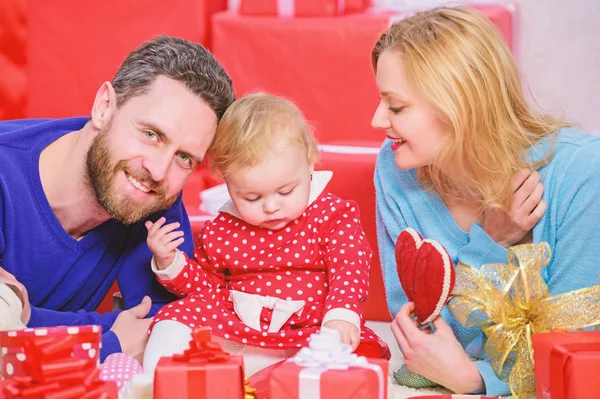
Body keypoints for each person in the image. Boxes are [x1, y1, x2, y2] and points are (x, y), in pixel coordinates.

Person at [370, 6, 600, 396]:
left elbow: (575, 353)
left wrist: (477, 380)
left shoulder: (582, 172)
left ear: (458, 105)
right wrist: (491, 242)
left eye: (396, 106)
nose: (378, 120)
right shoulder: (395, 167)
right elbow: (423, 338)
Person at [121, 92, 390, 396]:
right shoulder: (222, 228)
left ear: (310, 161)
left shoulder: (333, 215)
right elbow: (207, 286)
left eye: (286, 191)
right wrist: (171, 262)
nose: (271, 207)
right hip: (238, 328)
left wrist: (341, 317)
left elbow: (349, 268)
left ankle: (289, 379)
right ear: (226, 182)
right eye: (252, 198)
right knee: (172, 318)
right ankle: (160, 380)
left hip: (308, 330)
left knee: (350, 356)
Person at [0, 35, 235, 363]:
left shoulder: (154, 201)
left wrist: (25, 320)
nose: (157, 170)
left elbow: (170, 324)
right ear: (104, 107)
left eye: (184, 158)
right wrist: (105, 342)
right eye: (151, 134)